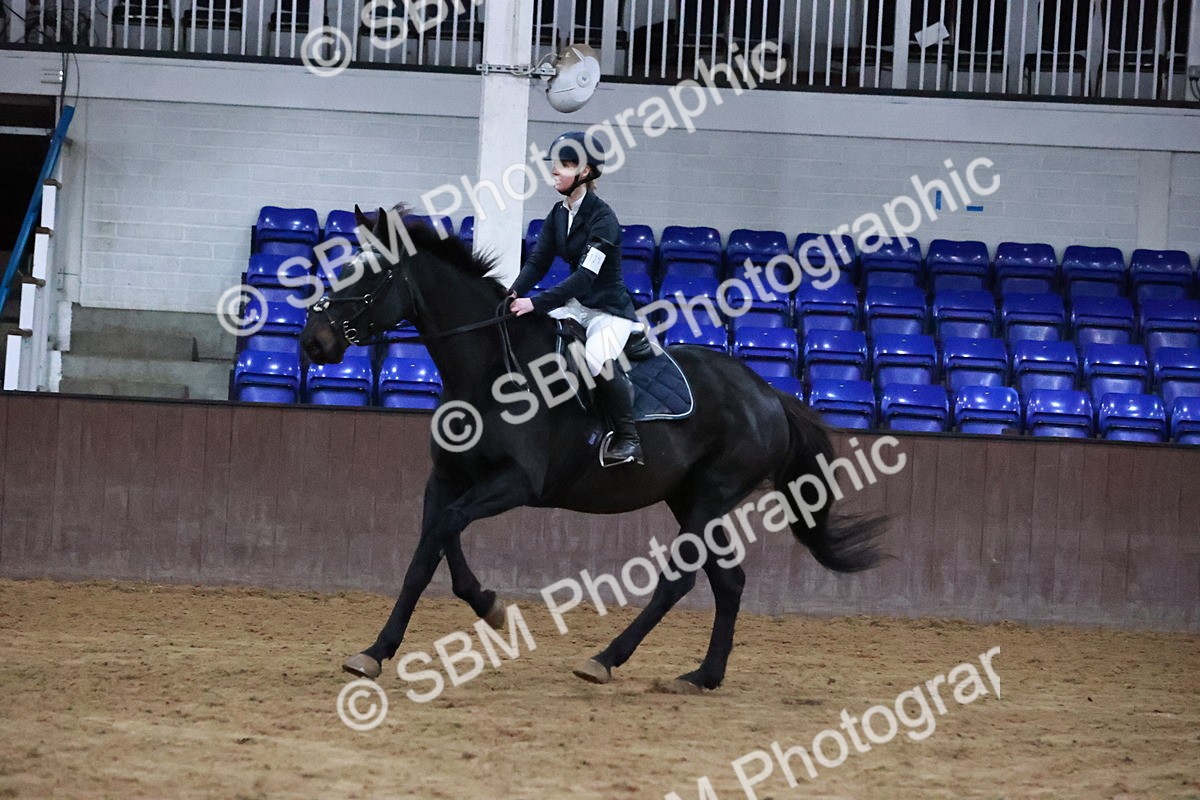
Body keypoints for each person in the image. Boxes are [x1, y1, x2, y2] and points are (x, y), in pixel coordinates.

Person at [508, 131, 644, 467]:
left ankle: (629, 439)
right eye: (555, 165)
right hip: (578, 308)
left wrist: (536, 303)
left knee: (596, 359)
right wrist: (512, 292)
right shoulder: (558, 214)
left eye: (564, 166)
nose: (554, 172)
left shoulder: (604, 219)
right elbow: (538, 262)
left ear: (584, 173)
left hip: (608, 313)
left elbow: (585, 277)